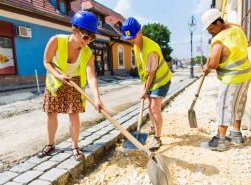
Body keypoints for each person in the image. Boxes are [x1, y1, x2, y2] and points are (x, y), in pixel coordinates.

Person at [37, 10, 109, 160]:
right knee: (51, 113)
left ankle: (75, 146)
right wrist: (59, 75)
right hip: (56, 80)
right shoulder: (56, 40)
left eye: (91, 39)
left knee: (73, 114)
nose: (88, 42)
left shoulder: (87, 51)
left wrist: (97, 98)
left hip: (74, 81)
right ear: (74, 30)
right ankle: (50, 144)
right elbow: (46, 62)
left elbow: (91, 76)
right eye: (85, 37)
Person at [200, 9, 251, 151]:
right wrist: (225, 23)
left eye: (211, 29)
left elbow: (214, 64)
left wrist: (207, 69)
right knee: (238, 103)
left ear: (218, 23)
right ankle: (236, 133)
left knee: (224, 105)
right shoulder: (238, 30)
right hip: (246, 74)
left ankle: (220, 140)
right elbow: (240, 27)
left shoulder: (218, 40)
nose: (209, 32)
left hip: (232, 77)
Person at [122, 17, 172, 151]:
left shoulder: (150, 49)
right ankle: (153, 128)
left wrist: (145, 91)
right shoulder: (136, 45)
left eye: (132, 37)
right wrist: (144, 86)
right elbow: (144, 69)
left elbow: (152, 73)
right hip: (150, 79)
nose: (130, 40)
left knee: (155, 108)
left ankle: (157, 139)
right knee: (149, 106)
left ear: (139, 32)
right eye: (128, 38)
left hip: (160, 79)